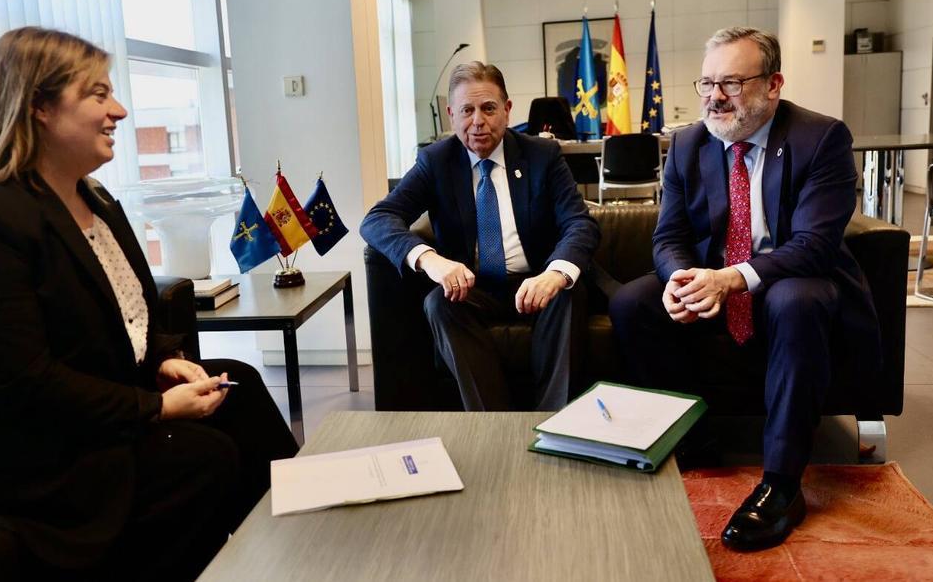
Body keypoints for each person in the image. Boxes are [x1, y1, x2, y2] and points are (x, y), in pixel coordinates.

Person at [0, 26, 298, 579]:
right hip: (6, 454)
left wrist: (161, 361)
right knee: (202, 457)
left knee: (240, 388)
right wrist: (155, 409)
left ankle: (301, 551)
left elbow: (128, 315)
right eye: (99, 94)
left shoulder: (95, 200)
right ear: (38, 106)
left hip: (74, 417)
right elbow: (23, 384)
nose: (121, 111)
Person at [608, 27, 881, 551]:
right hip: (715, 280)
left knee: (794, 298)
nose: (714, 96)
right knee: (631, 302)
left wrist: (733, 278)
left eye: (731, 83)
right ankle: (693, 437)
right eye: (707, 82)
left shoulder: (820, 138)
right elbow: (669, 236)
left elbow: (815, 245)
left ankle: (782, 485)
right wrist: (679, 279)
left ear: (773, 84)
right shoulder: (689, 143)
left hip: (796, 281)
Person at [361, 62, 599, 411]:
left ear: (507, 109)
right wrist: (431, 260)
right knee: (438, 303)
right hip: (474, 289)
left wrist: (554, 274)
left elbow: (580, 223)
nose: (478, 121)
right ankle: (491, 424)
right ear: (450, 115)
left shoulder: (542, 155)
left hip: (538, 282)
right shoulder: (435, 161)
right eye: (466, 111)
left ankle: (552, 422)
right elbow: (377, 218)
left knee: (569, 293)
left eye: (488, 108)